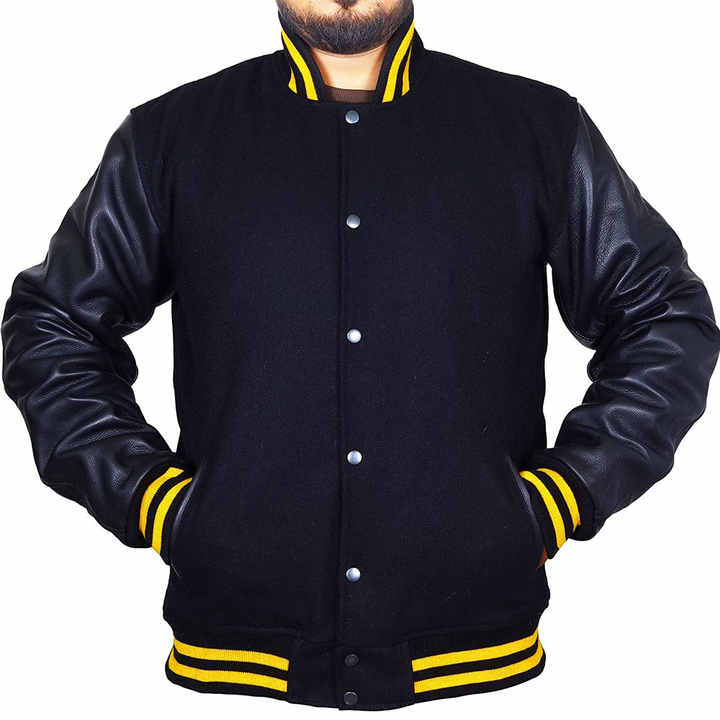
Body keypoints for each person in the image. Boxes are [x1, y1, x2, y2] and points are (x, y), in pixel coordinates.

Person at [3, 0, 719, 711]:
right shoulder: (171, 135)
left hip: (484, 674)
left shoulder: (537, 126)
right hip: (228, 672)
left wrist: (564, 495)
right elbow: (52, 326)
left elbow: (664, 316)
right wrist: (151, 501)